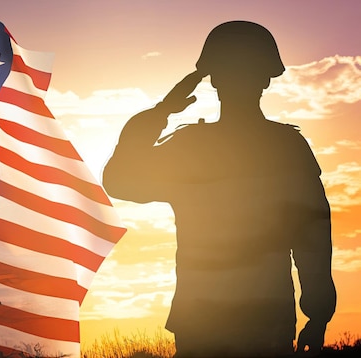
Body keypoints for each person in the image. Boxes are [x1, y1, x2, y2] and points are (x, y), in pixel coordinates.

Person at [103, 21, 336, 357]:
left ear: (212, 79)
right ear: (267, 78)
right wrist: (318, 315)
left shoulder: (191, 147)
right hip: (259, 320)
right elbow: (313, 240)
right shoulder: (288, 148)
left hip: (205, 320)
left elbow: (120, 179)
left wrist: (162, 112)